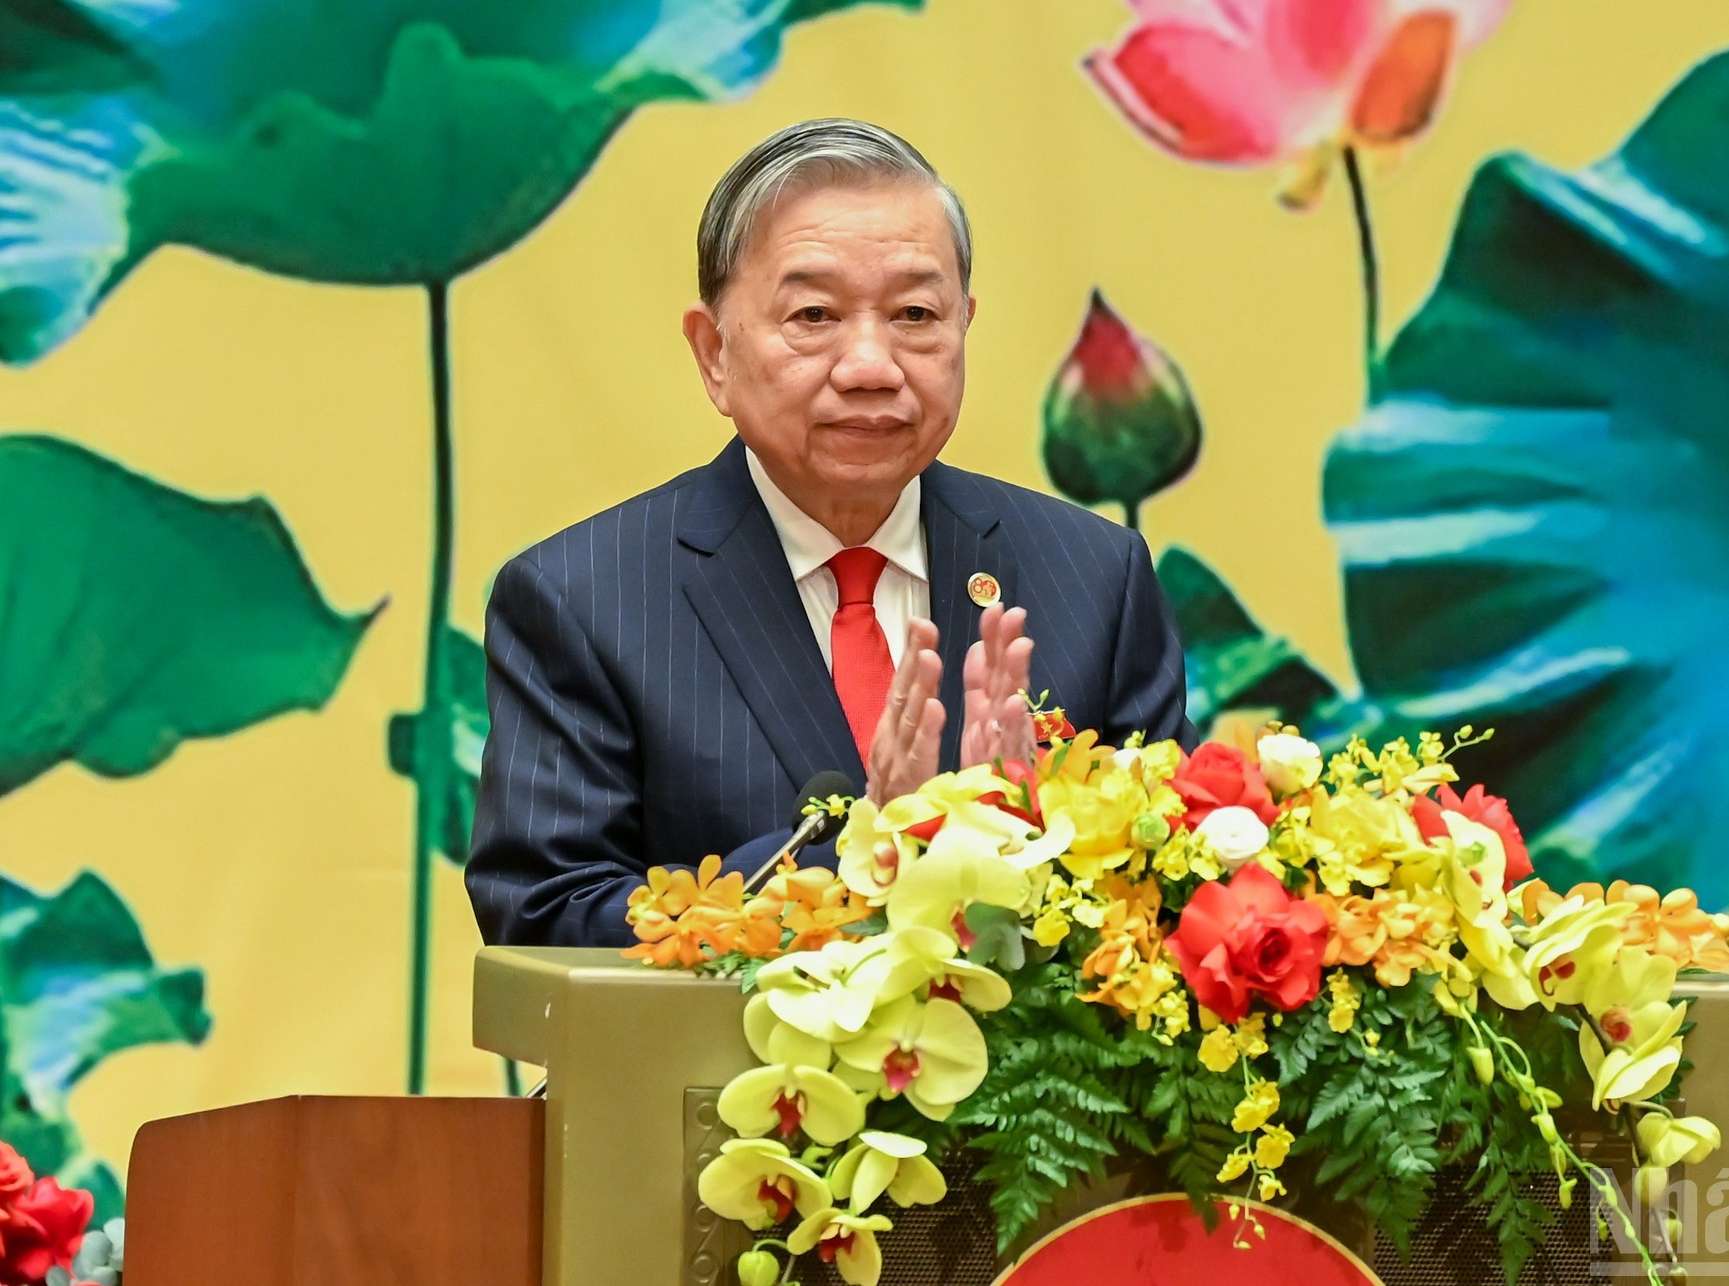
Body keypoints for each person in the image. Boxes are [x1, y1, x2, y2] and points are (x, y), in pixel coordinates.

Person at [466, 119, 1195, 947]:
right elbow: (546, 915)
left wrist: (1033, 848)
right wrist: (859, 858)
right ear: (714, 355)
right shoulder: (584, 600)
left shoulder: (1094, 576)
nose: (871, 366)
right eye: (813, 315)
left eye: (916, 313)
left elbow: (1177, 886)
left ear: (964, 328)